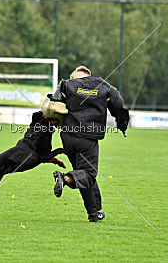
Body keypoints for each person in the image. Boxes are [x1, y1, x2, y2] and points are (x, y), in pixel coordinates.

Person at [48, 66, 129, 222]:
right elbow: (119, 105)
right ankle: (64, 179)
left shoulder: (66, 84)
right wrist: (122, 125)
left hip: (68, 136)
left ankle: (94, 213)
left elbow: (53, 104)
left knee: (83, 173)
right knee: (89, 174)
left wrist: (54, 121)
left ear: (79, 76)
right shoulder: (104, 85)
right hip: (88, 137)